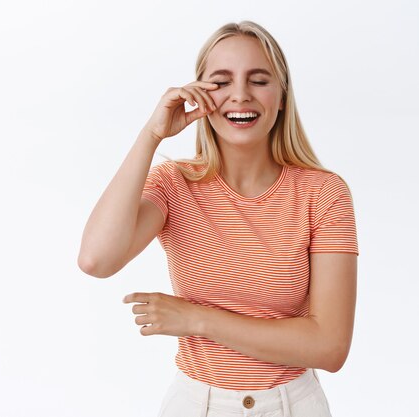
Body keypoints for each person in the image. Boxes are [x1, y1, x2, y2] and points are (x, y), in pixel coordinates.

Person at [77, 20, 358, 417]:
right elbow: (96, 260)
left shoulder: (323, 194)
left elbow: (329, 347)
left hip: (292, 406)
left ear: (282, 97)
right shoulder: (174, 184)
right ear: (199, 95)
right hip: (195, 405)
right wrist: (151, 134)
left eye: (259, 80)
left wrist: (196, 319)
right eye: (221, 82)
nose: (240, 95)